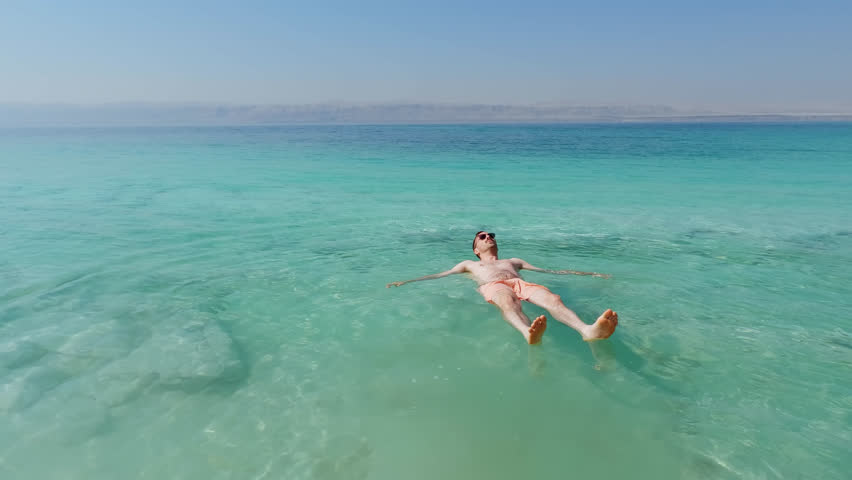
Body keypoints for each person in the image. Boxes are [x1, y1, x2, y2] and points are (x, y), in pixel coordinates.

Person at [386, 231, 618, 344]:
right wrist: (407, 281)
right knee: (509, 303)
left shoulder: (513, 261)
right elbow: (441, 275)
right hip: (493, 285)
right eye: (482, 237)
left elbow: (546, 271)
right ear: (476, 249)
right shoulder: (469, 264)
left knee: (553, 299)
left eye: (491, 235)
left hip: (520, 281)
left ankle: (586, 330)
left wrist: (587, 273)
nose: (489, 238)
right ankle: (527, 332)